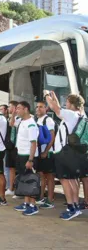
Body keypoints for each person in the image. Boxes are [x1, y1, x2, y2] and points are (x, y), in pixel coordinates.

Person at [46, 91, 84, 220]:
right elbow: (58, 107)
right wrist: (54, 97)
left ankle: (71, 207)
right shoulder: (79, 115)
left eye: (67, 102)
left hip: (63, 152)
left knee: (65, 180)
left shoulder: (70, 114)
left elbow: (55, 108)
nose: (65, 104)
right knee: (72, 180)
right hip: (71, 152)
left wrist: (46, 95)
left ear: (72, 104)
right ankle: (75, 206)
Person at [12, 101, 40, 216]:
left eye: (19, 108)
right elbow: (11, 123)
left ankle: (33, 206)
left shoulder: (31, 124)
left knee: (31, 181)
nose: (16, 110)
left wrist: (30, 160)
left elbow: (34, 144)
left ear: (26, 109)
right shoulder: (22, 121)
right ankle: (26, 203)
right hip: (21, 154)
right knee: (24, 180)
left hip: (29, 157)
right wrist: (13, 114)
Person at [35, 101, 56, 209]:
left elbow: (52, 137)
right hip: (40, 152)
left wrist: (46, 151)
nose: (38, 109)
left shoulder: (48, 120)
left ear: (46, 109)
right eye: (37, 107)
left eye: (41, 107)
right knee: (42, 175)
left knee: (49, 176)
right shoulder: (38, 120)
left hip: (47, 152)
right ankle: (42, 196)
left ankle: (50, 200)